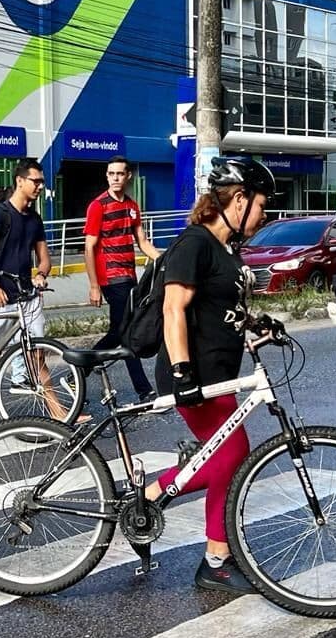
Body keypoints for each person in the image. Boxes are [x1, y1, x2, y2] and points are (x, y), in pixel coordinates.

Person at [143, 157, 274, 595]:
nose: (264, 215)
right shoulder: (194, 244)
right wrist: (182, 371)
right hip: (194, 374)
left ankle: (155, 492)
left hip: (219, 375)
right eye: (260, 205)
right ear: (238, 200)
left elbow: (222, 309)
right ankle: (216, 560)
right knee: (233, 452)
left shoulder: (225, 250)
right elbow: (173, 308)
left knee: (228, 454)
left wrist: (258, 325)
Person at [0, 158, 82, 429]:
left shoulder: (34, 219)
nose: (40, 186)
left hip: (25, 296)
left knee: (37, 353)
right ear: (20, 181)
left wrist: (40, 275)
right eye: (35, 181)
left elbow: (44, 259)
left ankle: (57, 411)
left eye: (42, 181)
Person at [84, 155, 162, 403]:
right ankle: (144, 390)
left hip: (129, 277)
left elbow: (142, 241)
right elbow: (89, 247)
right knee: (127, 332)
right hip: (110, 278)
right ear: (107, 176)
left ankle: (83, 365)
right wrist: (94, 286)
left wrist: (164, 260)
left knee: (120, 332)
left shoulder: (131, 206)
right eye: (111, 174)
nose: (115, 178)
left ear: (128, 176)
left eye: (120, 174)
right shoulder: (98, 206)